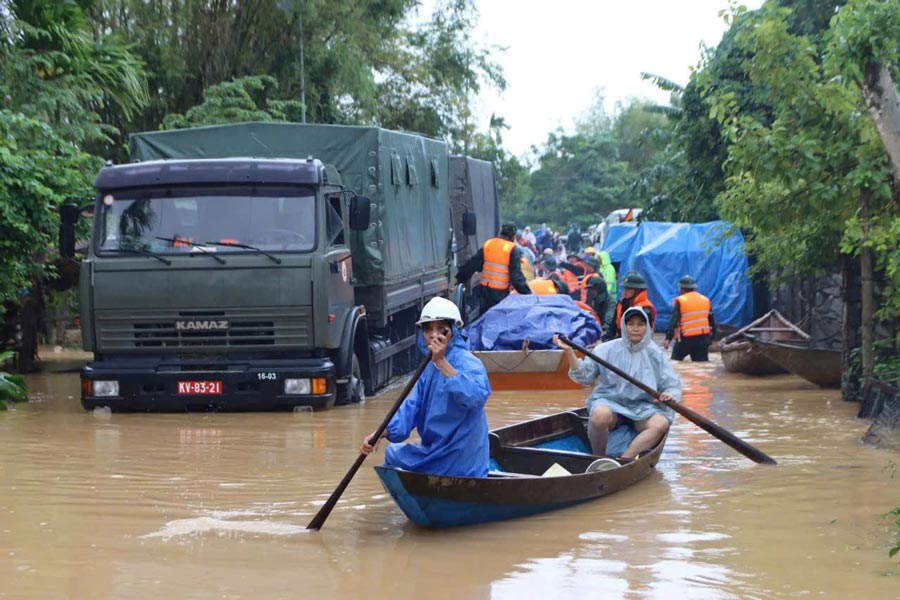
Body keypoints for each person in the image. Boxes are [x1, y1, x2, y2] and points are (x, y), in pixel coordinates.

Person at [360, 297, 491, 477]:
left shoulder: (469, 363)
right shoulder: (428, 368)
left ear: (452, 331)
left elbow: (476, 397)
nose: (433, 335)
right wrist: (381, 432)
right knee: (393, 453)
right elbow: (411, 407)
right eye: (428, 329)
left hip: (462, 456)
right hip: (435, 452)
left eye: (440, 328)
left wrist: (442, 362)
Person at [554, 307, 682, 459]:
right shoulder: (604, 350)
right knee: (599, 415)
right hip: (611, 403)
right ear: (623, 326)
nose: (635, 329)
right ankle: (598, 459)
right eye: (631, 324)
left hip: (643, 407)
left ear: (647, 327)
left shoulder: (655, 354)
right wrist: (569, 352)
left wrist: (668, 394)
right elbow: (584, 377)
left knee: (660, 424)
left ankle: (624, 461)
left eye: (640, 324)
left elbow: (671, 384)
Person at [456, 223, 532, 315]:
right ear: (513, 236)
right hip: (499, 295)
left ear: (500, 232)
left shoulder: (489, 244)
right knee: (496, 319)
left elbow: (473, 264)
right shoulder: (512, 249)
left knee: (484, 318)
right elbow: (516, 277)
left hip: (484, 293)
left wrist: (459, 278)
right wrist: (528, 294)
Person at [664, 275, 717, 362]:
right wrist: (710, 338)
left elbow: (673, 321)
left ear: (682, 289)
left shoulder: (681, 301)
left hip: (685, 339)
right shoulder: (705, 300)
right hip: (702, 339)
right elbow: (712, 322)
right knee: (701, 365)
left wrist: (668, 339)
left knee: (675, 362)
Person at [604, 271, 657, 340]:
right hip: (620, 340)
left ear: (637, 290)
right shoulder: (621, 303)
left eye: (629, 288)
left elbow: (644, 334)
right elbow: (613, 326)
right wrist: (607, 339)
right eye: (625, 288)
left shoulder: (645, 309)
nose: (625, 291)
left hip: (636, 342)